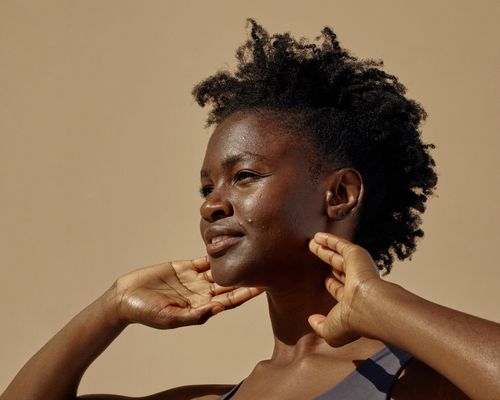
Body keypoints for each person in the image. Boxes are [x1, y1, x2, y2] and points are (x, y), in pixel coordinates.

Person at [2, 19, 499, 400]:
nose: (212, 204)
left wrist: (387, 307)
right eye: (206, 186)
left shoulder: (418, 382)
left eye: (244, 176)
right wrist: (110, 308)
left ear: (340, 194)